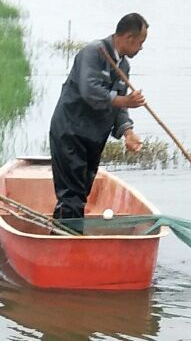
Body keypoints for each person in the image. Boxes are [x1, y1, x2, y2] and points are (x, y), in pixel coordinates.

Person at [49, 12, 148, 223]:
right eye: (140, 42)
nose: (141, 48)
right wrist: (124, 101)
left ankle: (64, 233)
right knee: (71, 196)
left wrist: (128, 132)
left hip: (93, 138)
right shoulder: (93, 53)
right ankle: (69, 244)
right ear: (128, 37)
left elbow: (120, 105)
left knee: (81, 192)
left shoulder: (123, 66)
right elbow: (90, 91)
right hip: (71, 132)